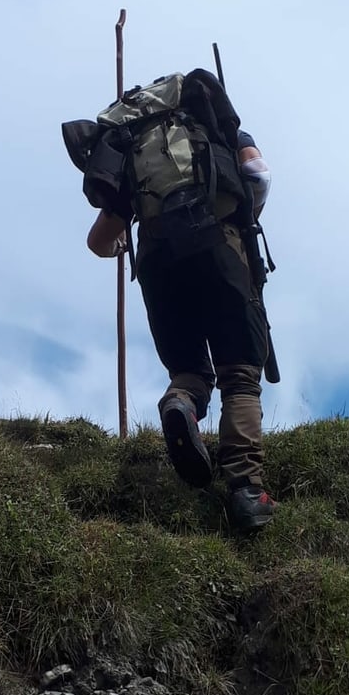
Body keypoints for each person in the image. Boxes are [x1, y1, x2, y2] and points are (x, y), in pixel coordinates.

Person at [85, 68, 277, 532]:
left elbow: (99, 241)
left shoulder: (129, 148)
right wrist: (241, 215)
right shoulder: (212, 126)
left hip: (157, 261)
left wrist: (123, 244)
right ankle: (248, 492)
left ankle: (181, 404)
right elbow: (257, 174)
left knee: (190, 372)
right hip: (220, 248)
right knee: (240, 374)